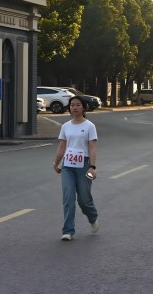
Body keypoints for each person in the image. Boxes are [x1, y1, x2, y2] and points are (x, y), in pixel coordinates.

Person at [52, 95, 99, 241]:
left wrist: (92, 167)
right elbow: (62, 146)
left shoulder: (89, 126)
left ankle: (92, 217)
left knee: (84, 200)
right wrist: (56, 163)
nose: (75, 107)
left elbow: (92, 148)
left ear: (83, 107)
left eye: (78, 105)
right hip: (67, 165)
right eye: (72, 105)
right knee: (68, 198)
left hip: (84, 165)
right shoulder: (66, 126)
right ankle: (68, 231)